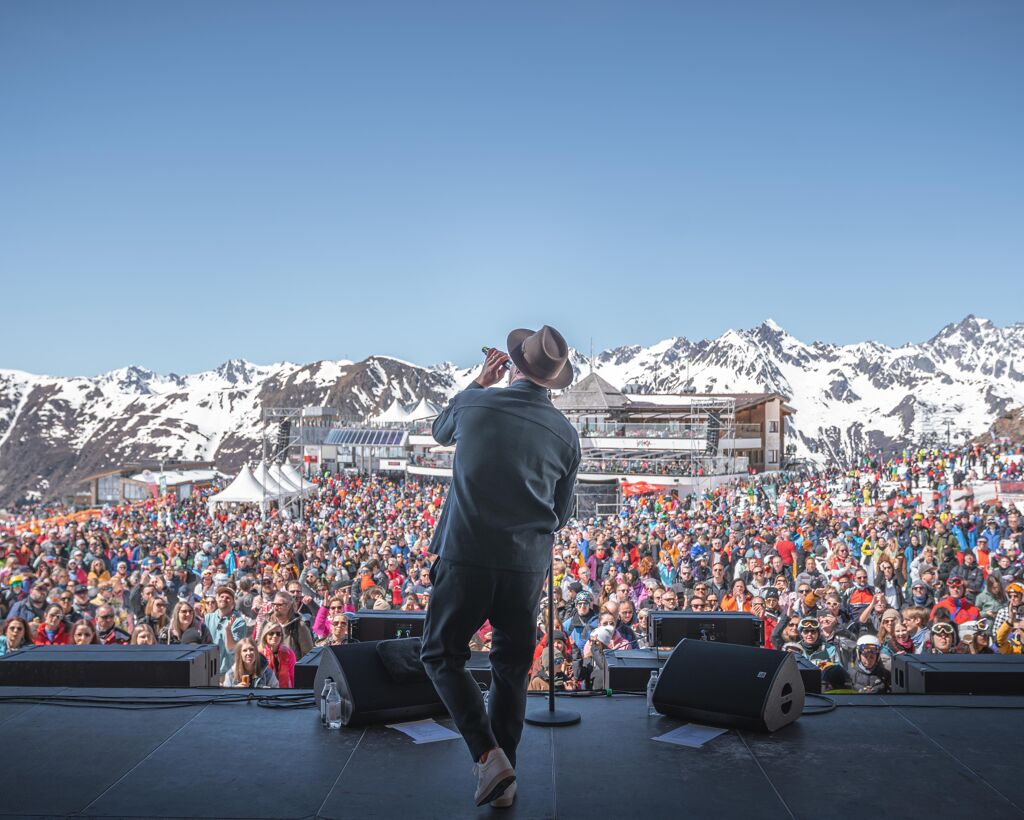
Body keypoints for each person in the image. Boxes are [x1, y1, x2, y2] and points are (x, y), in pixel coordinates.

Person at [420, 328, 579, 809]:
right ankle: (504, 773)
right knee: (510, 667)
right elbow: (564, 513)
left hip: (466, 554)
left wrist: (478, 382)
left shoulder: (474, 406)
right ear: (552, 381)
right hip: (526, 566)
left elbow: (440, 429)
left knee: (440, 654)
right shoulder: (566, 435)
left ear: (511, 365)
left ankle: (488, 756)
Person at [204, 586, 248, 677]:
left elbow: (233, 649)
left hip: (228, 673)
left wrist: (228, 630)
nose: (224, 599)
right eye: (222, 596)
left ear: (233, 603)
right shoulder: (208, 617)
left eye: (228, 598)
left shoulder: (239, 622)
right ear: (217, 599)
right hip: (207, 669)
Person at [257, 620, 295, 688]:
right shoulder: (258, 653)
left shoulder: (288, 653)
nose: (275, 636)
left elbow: (292, 676)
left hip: (284, 693)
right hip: (264, 693)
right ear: (265, 635)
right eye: (271, 633)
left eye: (278, 633)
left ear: (281, 636)